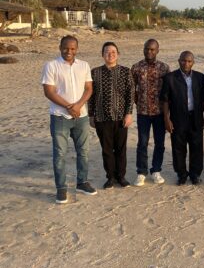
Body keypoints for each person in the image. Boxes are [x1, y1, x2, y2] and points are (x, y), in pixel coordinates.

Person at [41, 35, 96, 204]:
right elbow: (49, 92)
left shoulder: (84, 65)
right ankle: (61, 188)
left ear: (77, 49)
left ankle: (82, 182)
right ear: (60, 47)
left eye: (72, 48)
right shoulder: (51, 66)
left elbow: (88, 88)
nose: (69, 51)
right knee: (59, 154)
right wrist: (69, 107)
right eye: (66, 48)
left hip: (81, 116)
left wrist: (78, 106)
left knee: (84, 151)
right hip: (60, 117)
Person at [88, 42, 135, 189]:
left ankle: (121, 177)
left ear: (118, 54)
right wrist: (91, 115)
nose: (110, 54)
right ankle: (110, 177)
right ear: (102, 55)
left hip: (121, 117)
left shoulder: (126, 72)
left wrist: (128, 114)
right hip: (102, 118)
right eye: (107, 52)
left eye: (113, 52)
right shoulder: (94, 72)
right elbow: (91, 95)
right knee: (107, 149)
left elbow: (131, 94)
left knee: (121, 149)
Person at [161, 51, 204, 185]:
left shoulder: (200, 77)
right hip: (178, 118)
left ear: (193, 62)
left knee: (197, 146)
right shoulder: (170, 78)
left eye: (189, 61)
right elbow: (165, 101)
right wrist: (167, 119)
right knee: (178, 147)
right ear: (179, 61)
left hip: (196, 117)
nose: (186, 63)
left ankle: (195, 174)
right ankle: (181, 174)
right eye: (183, 60)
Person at [131, 38, 170, 187]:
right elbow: (131, 88)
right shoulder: (136, 68)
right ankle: (141, 172)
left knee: (159, 143)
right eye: (147, 49)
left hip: (160, 113)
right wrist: (137, 100)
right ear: (143, 49)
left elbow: (168, 92)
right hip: (143, 112)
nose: (149, 52)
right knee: (142, 143)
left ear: (157, 51)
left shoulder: (164, 68)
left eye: (152, 49)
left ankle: (156, 170)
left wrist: (168, 114)